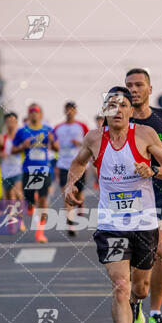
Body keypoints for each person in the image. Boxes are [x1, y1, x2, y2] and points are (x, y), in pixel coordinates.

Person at [64, 87, 162, 323]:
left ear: (129, 111)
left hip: (144, 223)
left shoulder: (145, 136)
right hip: (111, 223)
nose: (116, 109)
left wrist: (151, 170)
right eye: (111, 104)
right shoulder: (93, 138)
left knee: (140, 289)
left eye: (122, 105)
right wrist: (70, 187)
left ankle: (138, 307)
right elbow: (77, 163)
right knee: (121, 287)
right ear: (104, 110)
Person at [125, 68, 162, 323]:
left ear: (149, 88)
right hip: (129, 194)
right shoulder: (118, 118)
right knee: (135, 253)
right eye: (129, 86)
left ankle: (156, 314)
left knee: (161, 249)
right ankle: (135, 303)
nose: (133, 90)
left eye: (138, 85)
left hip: (160, 188)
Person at [11, 103, 59, 243]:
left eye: (36, 111)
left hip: (44, 170)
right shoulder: (22, 131)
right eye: (31, 111)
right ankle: (31, 206)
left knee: (43, 200)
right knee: (29, 201)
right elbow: (13, 150)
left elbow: (57, 148)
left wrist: (52, 142)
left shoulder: (48, 130)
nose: (34, 114)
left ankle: (40, 233)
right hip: (28, 170)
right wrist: (22, 146)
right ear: (28, 114)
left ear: (41, 115)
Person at [54, 101, 89, 237]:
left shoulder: (82, 126)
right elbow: (53, 145)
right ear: (64, 111)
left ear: (75, 111)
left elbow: (89, 142)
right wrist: (55, 146)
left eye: (72, 110)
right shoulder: (57, 128)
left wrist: (79, 143)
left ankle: (80, 202)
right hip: (63, 164)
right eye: (67, 110)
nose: (70, 112)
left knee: (79, 193)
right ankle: (70, 224)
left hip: (79, 165)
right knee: (66, 193)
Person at [0, 112, 24, 202]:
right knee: (9, 197)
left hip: (18, 170)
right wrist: (0, 154)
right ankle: (12, 215)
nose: (11, 124)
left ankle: (19, 215)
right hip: (6, 171)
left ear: (16, 123)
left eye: (13, 122)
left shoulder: (21, 137)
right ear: (5, 123)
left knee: (18, 193)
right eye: (8, 122)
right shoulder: (1, 138)